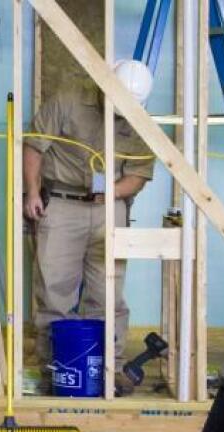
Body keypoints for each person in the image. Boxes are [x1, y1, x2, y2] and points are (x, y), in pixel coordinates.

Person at [22, 59, 156, 396]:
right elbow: (34, 146)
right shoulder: (69, 98)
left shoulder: (141, 119)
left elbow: (137, 176)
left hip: (110, 208)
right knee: (54, 291)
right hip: (63, 204)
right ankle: (56, 369)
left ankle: (107, 368)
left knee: (107, 294)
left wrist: (110, 192)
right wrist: (32, 192)